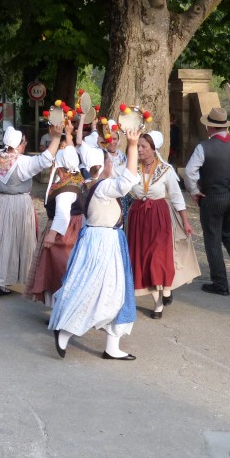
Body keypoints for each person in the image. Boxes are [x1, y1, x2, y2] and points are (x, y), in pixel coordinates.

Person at [49, 127, 141, 361]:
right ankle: (66, 330)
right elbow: (127, 181)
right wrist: (131, 146)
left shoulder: (87, 183)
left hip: (95, 240)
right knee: (104, 291)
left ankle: (111, 345)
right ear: (102, 165)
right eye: (109, 162)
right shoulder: (103, 187)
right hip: (105, 244)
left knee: (100, 288)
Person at [0, 123, 63, 295]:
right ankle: (5, 280)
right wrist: (56, 137)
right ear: (19, 144)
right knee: (12, 242)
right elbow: (45, 159)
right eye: (24, 142)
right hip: (17, 205)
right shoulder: (22, 162)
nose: (25, 145)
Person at [126, 131, 198, 319]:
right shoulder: (132, 167)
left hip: (159, 216)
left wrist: (185, 221)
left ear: (153, 148)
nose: (139, 149)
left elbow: (176, 196)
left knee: (157, 257)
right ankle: (158, 301)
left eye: (143, 146)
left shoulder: (165, 170)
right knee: (143, 259)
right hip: (138, 217)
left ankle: (166, 288)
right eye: (138, 146)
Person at [184, 104, 230, 296]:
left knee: (213, 238)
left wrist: (194, 191)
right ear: (225, 126)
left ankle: (220, 283)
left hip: (212, 196)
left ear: (211, 127)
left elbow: (190, 172)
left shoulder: (203, 147)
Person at [24, 124, 85, 306]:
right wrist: (67, 135)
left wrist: (51, 234)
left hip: (65, 232)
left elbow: (62, 215)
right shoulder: (75, 177)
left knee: (57, 267)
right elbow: (71, 152)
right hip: (74, 228)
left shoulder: (65, 188)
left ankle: (60, 305)